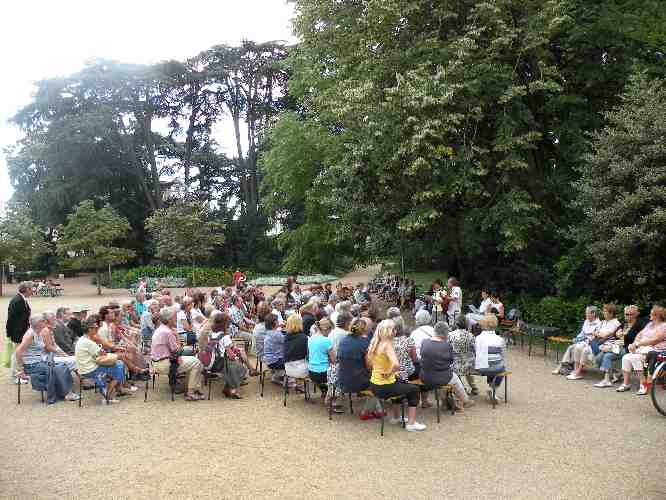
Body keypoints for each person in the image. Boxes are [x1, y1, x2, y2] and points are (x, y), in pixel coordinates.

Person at [367, 319, 426, 432]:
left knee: (400, 382)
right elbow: (396, 365)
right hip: (385, 385)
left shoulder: (374, 343)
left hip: (374, 384)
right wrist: (389, 372)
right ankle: (411, 423)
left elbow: (369, 363)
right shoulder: (387, 345)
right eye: (394, 329)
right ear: (388, 331)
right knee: (414, 389)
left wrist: (384, 371)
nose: (395, 331)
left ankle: (396, 417)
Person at [15, 313, 80, 401]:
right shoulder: (30, 334)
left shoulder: (39, 332)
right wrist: (20, 370)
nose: (46, 322)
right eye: (43, 320)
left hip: (41, 361)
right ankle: (66, 393)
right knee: (59, 368)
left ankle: (66, 392)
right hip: (32, 365)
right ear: (39, 323)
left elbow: (43, 348)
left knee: (62, 365)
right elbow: (18, 351)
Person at [150, 307, 205, 401]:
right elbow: (177, 350)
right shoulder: (168, 332)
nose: (176, 320)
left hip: (156, 362)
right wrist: (177, 336)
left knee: (192, 361)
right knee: (196, 362)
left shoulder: (160, 329)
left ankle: (192, 388)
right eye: (174, 318)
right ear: (169, 319)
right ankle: (191, 392)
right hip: (164, 364)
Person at [420, 321, 475, 410]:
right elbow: (450, 360)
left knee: (442, 380)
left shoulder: (424, 342)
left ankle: (445, 402)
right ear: (446, 333)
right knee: (454, 378)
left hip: (425, 376)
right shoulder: (446, 345)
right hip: (441, 377)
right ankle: (465, 400)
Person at [75, 316, 127, 404]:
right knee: (119, 365)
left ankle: (107, 388)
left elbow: (100, 355)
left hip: (84, 368)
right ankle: (108, 395)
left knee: (117, 364)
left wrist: (110, 355)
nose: (97, 330)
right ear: (89, 329)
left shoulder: (83, 339)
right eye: (95, 328)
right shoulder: (89, 342)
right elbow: (100, 358)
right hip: (90, 369)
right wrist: (116, 356)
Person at [616, 305, 666, 395]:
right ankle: (626, 383)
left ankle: (643, 385)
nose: (649, 314)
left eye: (651, 313)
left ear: (657, 315)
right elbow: (640, 334)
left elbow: (655, 340)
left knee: (635, 358)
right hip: (643, 348)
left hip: (655, 349)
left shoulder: (664, 326)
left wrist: (638, 344)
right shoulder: (650, 324)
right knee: (626, 357)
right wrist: (634, 344)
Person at [568, 303, 622, 381]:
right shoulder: (603, 322)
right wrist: (598, 334)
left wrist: (598, 334)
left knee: (585, 350)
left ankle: (578, 372)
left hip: (606, 346)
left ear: (611, 313)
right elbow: (595, 333)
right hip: (597, 344)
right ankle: (576, 371)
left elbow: (605, 335)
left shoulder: (616, 323)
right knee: (578, 347)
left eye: (605, 311)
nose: (603, 313)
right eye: (604, 311)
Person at [551, 306, 601, 375]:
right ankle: (561, 367)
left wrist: (583, 339)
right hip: (582, 342)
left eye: (587, 313)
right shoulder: (586, 321)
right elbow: (582, 333)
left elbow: (593, 338)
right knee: (571, 347)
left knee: (574, 347)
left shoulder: (599, 324)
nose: (585, 315)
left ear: (593, 314)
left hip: (590, 345)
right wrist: (576, 338)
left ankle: (566, 368)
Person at [4, 281, 33, 384]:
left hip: (22, 332)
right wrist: (9, 334)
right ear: (26, 289)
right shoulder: (17, 300)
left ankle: (20, 373)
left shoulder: (22, 299)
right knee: (17, 354)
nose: (33, 291)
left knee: (20, 353)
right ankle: (15, 376)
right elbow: (11, 319)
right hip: (17, 333)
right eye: (31, 288)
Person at [474, 315, 506, 404]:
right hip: (496, 369)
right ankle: (492, 388)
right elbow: (503, 355)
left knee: (488, 361)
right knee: (499, 366)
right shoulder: (500, 339)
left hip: (481, 368)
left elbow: (475, 352)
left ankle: (491, 388)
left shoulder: (478, 338)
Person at [326, 311, 352, 412]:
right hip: (338, 363)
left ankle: (333, 399)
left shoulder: (333, 331)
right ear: (346, 323)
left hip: (330, 362)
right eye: (350, 323)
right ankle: (333, 401)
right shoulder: (345, 334)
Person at [449, 315, 478, 395]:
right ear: (466, 324)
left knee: (455, 368)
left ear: (456, 324)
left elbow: (448, 349)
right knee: (467, 366)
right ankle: (474, 387)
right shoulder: (471, 335)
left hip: (455, 364)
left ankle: (462, 388)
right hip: (469, 364)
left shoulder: (450, 335)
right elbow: (475, 349)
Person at [308, 319, 334, 396]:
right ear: (326, 329)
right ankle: (332, 397)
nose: (330, 333)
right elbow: (334, 359)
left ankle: (324, 390)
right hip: (323, 374)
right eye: (330, 330)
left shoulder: (310, 338)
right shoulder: (326, 340)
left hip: (311, 372)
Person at [284, 315, 309, 383]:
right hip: (301, 370)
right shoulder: (304, 338)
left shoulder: (285, 337)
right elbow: (309, 355)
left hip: (288, 369)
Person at [263, 313, 287, 384]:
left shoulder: (269, 332)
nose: (279, 322)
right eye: (277, 321)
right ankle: (290, 382)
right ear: (274, 322)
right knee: (291, 360)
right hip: (275, 361)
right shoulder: (276, 334)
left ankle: (277, 376)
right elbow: (286, 341)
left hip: (269, 360)